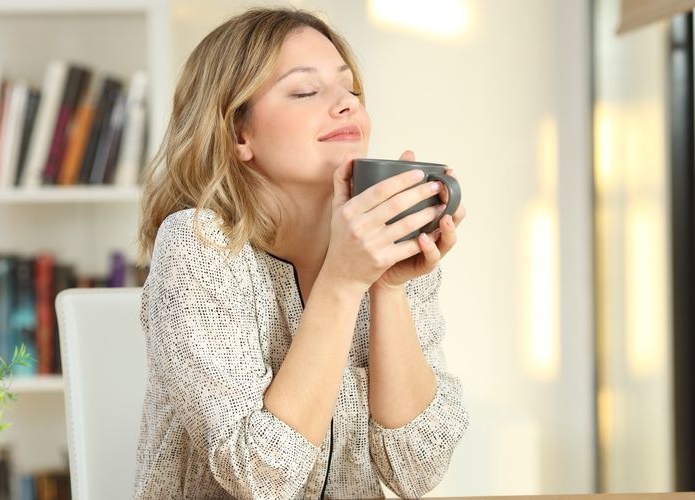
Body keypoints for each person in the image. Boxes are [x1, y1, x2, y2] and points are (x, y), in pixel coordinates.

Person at [133, 7, 468, 499]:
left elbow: (417, 471)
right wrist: (342, 282)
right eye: (306, 91)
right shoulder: (198, 247)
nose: (346, 105)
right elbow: (260, 479)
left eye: (351, 89)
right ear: (238, 134)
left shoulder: (384, 246)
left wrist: (387, 285)